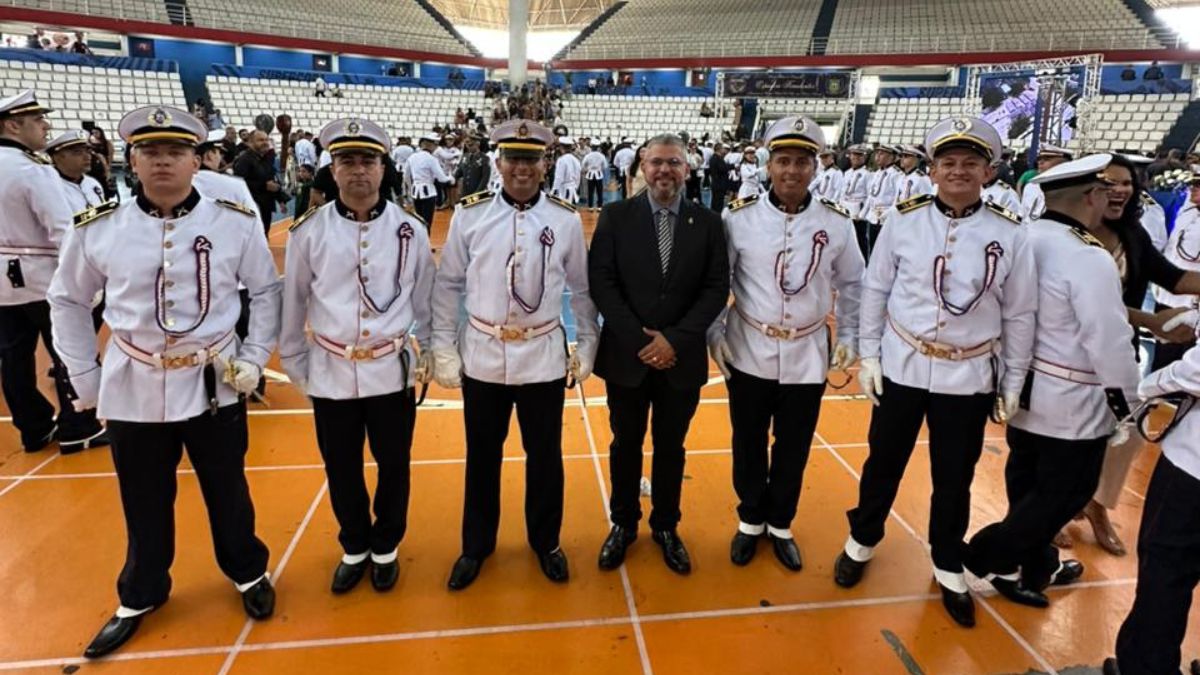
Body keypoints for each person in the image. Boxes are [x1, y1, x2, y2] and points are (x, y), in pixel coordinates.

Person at [48, 105, 278, 658]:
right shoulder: (100, 227)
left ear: (197, 161)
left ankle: (247, 570)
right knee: (143, 495)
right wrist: (86, 378)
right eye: (150, 151)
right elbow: (67, 300)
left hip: (214, 379)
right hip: (134, 382)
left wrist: (254, 355)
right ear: (131, 161)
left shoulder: (233, 221)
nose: (163, 161)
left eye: (176, 151)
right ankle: (142, 591)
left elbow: (266, 291)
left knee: (228, 487)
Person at [836, 116, 1037, 629]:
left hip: (968, 375)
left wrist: (1013, 381)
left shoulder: (1010, 234)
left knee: (954, 475)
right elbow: (876, 288)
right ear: (932, 170)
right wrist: (870, 355)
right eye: (948, 162)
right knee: (883, 461)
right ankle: (862, 538)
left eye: (971, 163)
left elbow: (1019, 313)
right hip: (903, 365)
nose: (958, 171)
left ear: (989, 172)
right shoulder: (903, 221)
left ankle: (947, 560)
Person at [964, 154, 1140, 609]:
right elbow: (1109, 340)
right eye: (1105, 191)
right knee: (1066, 492)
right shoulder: (1088, 257)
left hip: (1020, 384)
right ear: (1092, 196)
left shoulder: (1023, 236)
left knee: (1026, 483)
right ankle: (986, 556)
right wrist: (1126, 405)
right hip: (1073, 397)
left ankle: (1035, 564)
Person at [432, 120, 599, 590]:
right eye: (513, 158)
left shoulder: (565, 220)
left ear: (545, 165)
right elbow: (447, 285)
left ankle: (546, 542)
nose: (522, 168)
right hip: (482, 355)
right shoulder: (470, 216)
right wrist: (442, 346)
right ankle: (476, 545)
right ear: (498, 162)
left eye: (531, 159)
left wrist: (587, 343)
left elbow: (583, 289)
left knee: (544, 456)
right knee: (482, 457)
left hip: (542, 357)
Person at [280, 117, 434, 595]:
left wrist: (431, 350)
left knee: (394, 463)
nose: (358, 170)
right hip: (330, 368)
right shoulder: (309, 231)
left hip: (390, 369)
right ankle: (354, 545)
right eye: (347, 160)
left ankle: (386, 545)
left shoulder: (410, 230)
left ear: (384, 168)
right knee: (340, 465)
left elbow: (426, 301)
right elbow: (293, 303)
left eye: (368, 160)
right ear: (333, 169)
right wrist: (296, 365)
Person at [708, 117, 864, 571]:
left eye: (801, 161)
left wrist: (849, 336)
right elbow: (719, 281)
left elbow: (855, 284)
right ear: (769, 165)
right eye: (783, 161)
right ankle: (750, 519)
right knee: (748, 440)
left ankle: (780, 523)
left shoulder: (836, 223)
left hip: (808, 352)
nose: (791, 170)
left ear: (815, 167)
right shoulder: (738, 218)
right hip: (749, 346)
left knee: (794, 444)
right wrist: (714, 333)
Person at [588, 134, 730, 575]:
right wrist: (642, 341)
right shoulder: (615, 217)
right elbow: (602, 283)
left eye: (674, 162)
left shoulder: (708, 223)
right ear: (641, 168)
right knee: (625, 444)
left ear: (687, 169)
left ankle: (666, 526)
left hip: (680, 359)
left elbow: (715, 288)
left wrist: (674, 340)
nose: (664, 170)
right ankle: (623, 523)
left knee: (672, 447)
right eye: (656, 163)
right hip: (627, 358)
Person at [1067, 154, 1200, 556]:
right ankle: (1047, 514)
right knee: (1060, 442)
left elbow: (1174, 278)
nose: (1119, 190)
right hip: (1064, 355)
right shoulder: (1060, 236)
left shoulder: (1133, 234)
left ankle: (1097, 504)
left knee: (1127, 432)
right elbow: (1082, 303)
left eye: (1126, 182)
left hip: (1117, 355)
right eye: (1108, 182)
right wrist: (1150, 320)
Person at [0, 92, 109, 455]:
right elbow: (63, 230)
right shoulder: (33, 169)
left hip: (3, 282)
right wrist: (85, 280)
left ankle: (33, 428)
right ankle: (79, 426)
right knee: (69, 350)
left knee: (14, 358)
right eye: (37, 120)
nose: (45, 126)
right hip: (42, 275)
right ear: (13, 125)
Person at [1103, 341, 1200, 675]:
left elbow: (1195, 371)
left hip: (1193, 469)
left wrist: (1147, 386)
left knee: (1166, 568)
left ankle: (1146, 667)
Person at [232, 130, 280, 236]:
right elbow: (238, 183)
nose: (265, 142)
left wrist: (280, 198)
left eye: (266, 139)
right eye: (260, 140)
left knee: (264, 235)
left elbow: (270, 180)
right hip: (251, 207)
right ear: (250, 142)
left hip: (265, 206)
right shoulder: (244, 160)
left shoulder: (265, 158)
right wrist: (263, 186)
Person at [45, 130, 107, 212]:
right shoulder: (50, 189)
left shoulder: (93, 184)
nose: (87, 157)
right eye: (78, 152)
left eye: (88, 151)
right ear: (57, 157)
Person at [405, 134, 453, 227]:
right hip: (428, 192)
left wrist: (411, 188)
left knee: (418, 221)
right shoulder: (432, 159)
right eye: (435, 144)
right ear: (431, 145)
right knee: (427, 222)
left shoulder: (412, 157)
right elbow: (442, 179)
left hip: (415, 192)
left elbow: (406, 176)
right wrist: (450, 178)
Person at [862, 144, 901, 257]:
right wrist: (863, 213)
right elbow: (871, 195)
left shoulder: (896, 174)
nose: (877, 157)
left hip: (886, 217)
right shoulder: (877, 173)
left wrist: (888, 214)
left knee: (884, 251)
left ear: (892, 157)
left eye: (882, 154)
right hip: (873, 216)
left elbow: (897, 198)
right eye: (877, 153)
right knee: (872, 247)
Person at [837, 145, 872, 259]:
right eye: (853, 155)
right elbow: (842, 192)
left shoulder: (867, 174)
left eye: (859, 155)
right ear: (850, 156)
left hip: (857, 211)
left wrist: (862, 214)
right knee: (845, 239)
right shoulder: (847, 173)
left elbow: (870, 196)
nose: (856, 158)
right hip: (845, 209)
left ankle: (863, 262)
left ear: (864, 158)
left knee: (860, 240)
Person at [1021, 145, 1072, 221]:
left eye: (1047, 159)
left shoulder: (1071, 190)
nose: (1040, 162)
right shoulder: (1031, 186)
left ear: (1062, 164)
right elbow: (1023, 214)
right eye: (1039, 159)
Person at [551, 137, 581, 205]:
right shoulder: (576, 160)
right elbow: (578, 178)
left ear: (561, 147)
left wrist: (553, 191)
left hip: (563, 192)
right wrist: (575, 187)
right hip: (573, 191)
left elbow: (559, 178)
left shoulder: (561, 160)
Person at [582, 141, 608, 212]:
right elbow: (605, 166)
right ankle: (599, 206)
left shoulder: (588, 155)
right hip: (599, 174)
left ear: (591, 147)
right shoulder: (601, 155)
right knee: (599, 191)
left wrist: (587, 169)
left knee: (590, 191)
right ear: (598, 147)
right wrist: (600, 168)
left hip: (590, 174)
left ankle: (590, 207)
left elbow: (583, 164)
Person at [708, 142, 732, 212]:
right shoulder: (717, 158)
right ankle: (717, 215)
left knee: (715, 201)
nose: (724, 150)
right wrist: (732, 166)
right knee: (718, 202)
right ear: (719, 149)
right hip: (719, 184)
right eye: (723, 148)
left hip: (716, 183)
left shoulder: (715, 158)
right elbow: (722, 168)